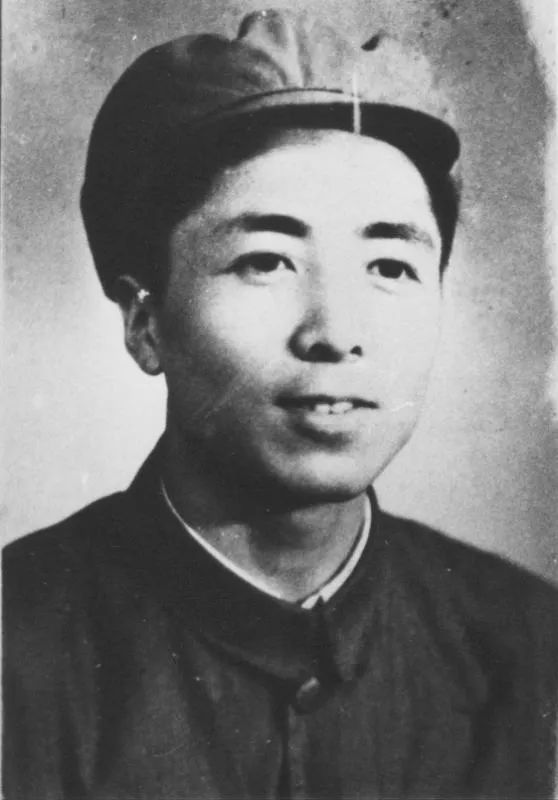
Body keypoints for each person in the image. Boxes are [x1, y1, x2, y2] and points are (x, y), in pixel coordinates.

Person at [3, 9, 557, 799]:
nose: (336, 333)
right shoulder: (17, 653)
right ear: (144, 322)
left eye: (390, 267)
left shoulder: (530, 645)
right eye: (265, 261)